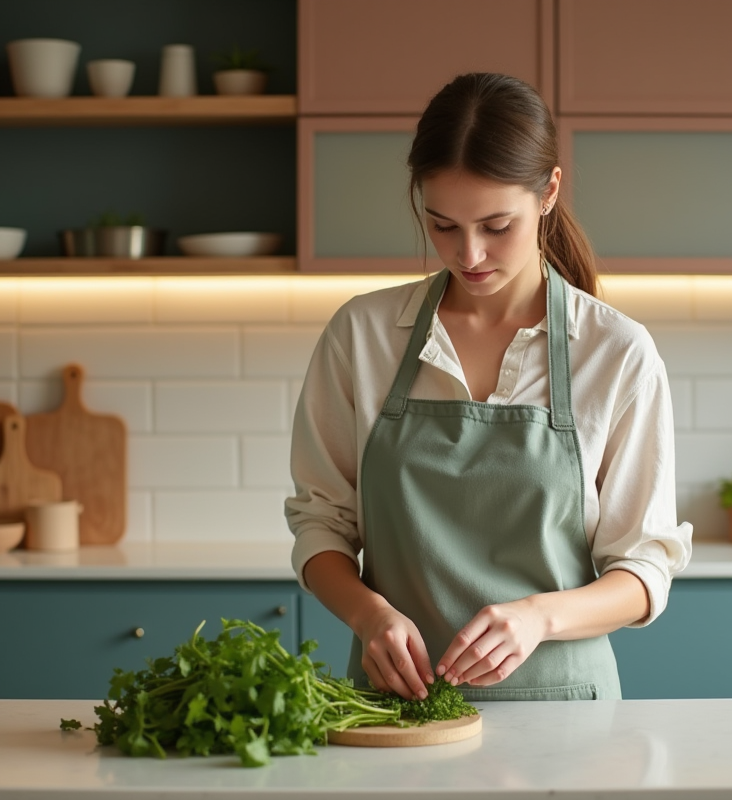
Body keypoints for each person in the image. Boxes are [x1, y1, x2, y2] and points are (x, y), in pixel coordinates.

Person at [285, 72, 692, 702]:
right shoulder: (361, 337)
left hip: (567, 716)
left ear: (549, 191)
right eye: (442, 225)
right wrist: (368, 615)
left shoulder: (615, 352)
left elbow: (644, 568)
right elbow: (321, 527)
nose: (468, 254)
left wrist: (539, 617)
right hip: (397, 715)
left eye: (496, 226)